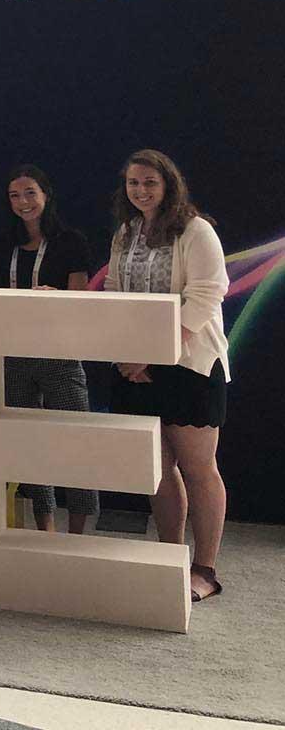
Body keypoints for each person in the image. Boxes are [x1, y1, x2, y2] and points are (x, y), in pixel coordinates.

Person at [105, 149, 229, 603]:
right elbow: (116, 293)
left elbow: (206, 295)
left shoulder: (197, 231)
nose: (141, 191)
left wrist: (154, 357)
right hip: (136, 369)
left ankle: (205, 569)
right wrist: (126, 356)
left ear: (169, 184)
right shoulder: (126, 233)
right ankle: (170, 556)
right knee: (157, 470)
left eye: (150, 183)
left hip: (190, 366)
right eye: (133, 183)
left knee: (199, 469)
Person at [0, 164, 98, 535]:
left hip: (60, 352)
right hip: (14, 353)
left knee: (75, 442)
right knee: (29, 445)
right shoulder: (4, 242)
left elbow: (80, 299)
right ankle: (45, 529)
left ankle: (78, 534)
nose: (23, 202)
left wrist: (58, 298)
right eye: (14, 195)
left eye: (30, 193)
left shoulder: (70, 241)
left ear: (46, 194)